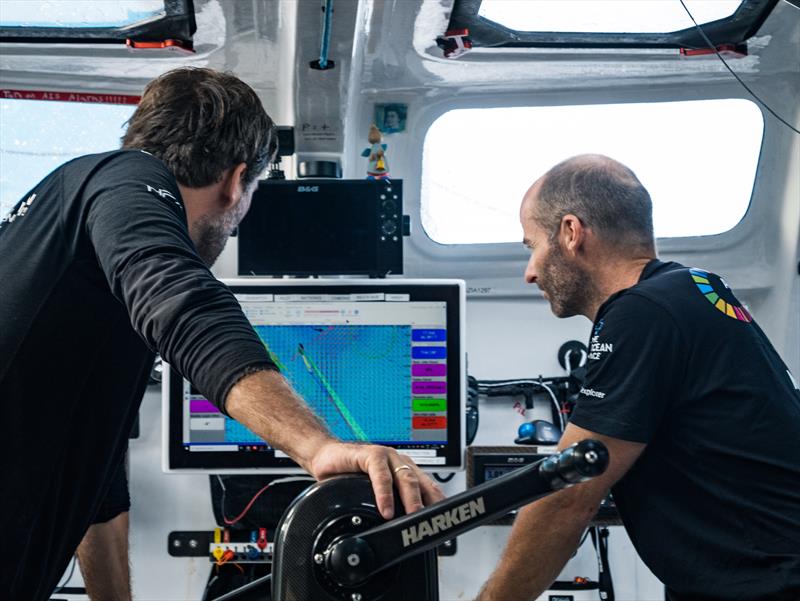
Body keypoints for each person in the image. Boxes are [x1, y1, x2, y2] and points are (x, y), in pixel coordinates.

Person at [0, 67, 442, 601]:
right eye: (253, 189)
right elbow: (187, 305)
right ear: (236, 181)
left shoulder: (76, 235)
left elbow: (99, 491)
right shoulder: (123, 181)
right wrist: (319, 447)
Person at [477, 154, 800, 601]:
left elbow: (570, 493)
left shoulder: (642, 313)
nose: (530, 272)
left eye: (531, 246)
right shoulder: (692, 287)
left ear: (571, 233)